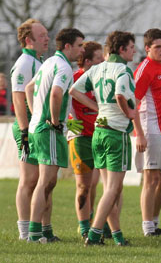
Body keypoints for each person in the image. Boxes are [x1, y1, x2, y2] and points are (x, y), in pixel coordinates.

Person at [70, 30, 136, 246]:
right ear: (122, 49)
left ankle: (117, 236)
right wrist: (129, 113)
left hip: (99, 131)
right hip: (116, 132)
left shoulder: (97, 68)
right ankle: (95, 233)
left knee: (110, 188)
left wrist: (97, 108)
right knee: (113, 189)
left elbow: (74, 90)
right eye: (131, 47)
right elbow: (119, 95)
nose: (134, 50)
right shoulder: (123, 70)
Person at [25, 28, 85, 243]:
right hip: (48, 130)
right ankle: (34, 233)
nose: (82, 50)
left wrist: (35, 115)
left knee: (49, 183)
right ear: (67, 46)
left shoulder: (49, 62)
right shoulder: (63, 66)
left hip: (39, 127)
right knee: (45, 182)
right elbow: (57, 93)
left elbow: (29, 88)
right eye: (79, 45)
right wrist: (54, 121)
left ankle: (46, 231)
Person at [10, 19, 50, 241]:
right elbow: (18, 99)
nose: (47, 38)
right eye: (42, 35)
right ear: (28, 40)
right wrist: (25, 132)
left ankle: (41, 229)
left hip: (37, 128)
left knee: (41, 180)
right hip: (28, 129)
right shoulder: (25, 63)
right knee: (29, 180)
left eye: (47, 34)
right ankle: (24, 232)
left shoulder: (39, 60)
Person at [133, 28, 161, 236]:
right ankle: (148, 226)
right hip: (151, 129)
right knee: (151, 179)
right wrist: (139, 133)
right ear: (147, 48)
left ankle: (156, 222)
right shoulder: (144, 69)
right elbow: (133, 103)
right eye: (158, 47)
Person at [67, 41, 104, 238]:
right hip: (80, 138)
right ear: (88, 61)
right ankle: (83, 227)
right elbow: (63, 105)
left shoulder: (100, 79)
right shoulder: (74, 79)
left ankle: (93, 219)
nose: (104, 61)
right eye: (99, 58)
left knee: (94, 184)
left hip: (98, 135)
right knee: (83, 185)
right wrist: (71, 126)